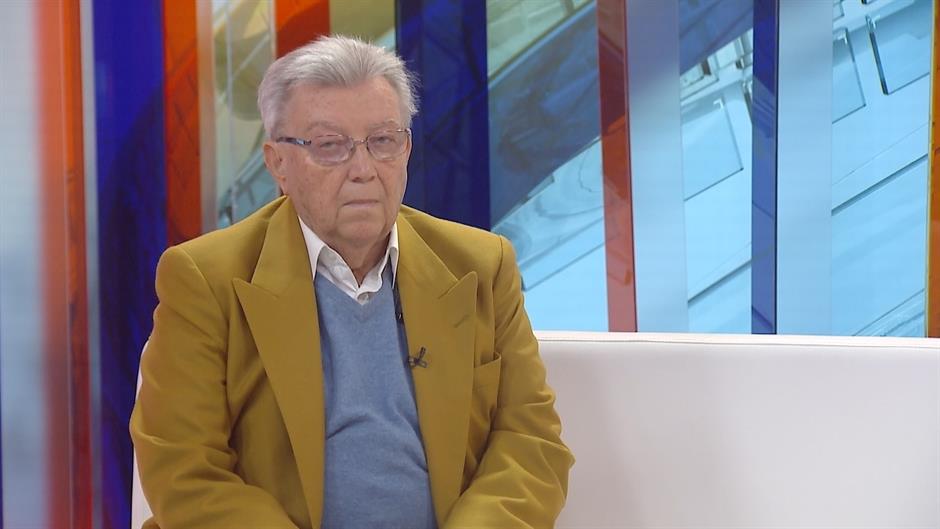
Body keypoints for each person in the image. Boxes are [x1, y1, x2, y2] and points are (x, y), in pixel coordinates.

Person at [130, 35, 573, 529]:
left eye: (382, 141)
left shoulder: (481, 265)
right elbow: (185, 468)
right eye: (329, 146)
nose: (363, 170)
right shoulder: (204, 279)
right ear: (278, 163)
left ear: (406, 149)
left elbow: (530, 444)